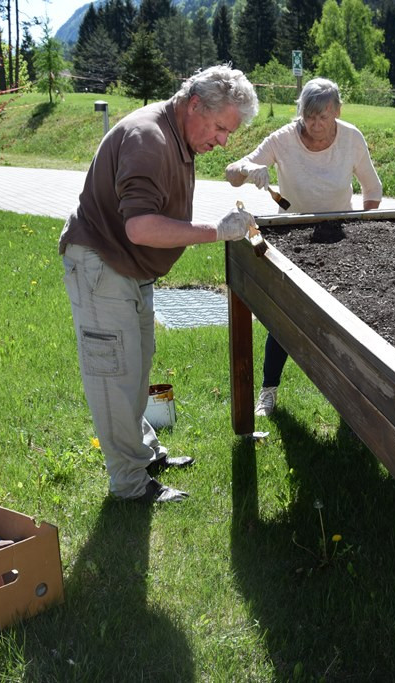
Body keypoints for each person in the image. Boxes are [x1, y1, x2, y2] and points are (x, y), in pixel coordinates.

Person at [60, 65, 259, 505]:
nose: (223, 141)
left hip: (129, 269)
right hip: (101, 264)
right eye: (221, 127)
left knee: (136, 365)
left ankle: (145, 451)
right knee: (114, 376)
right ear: (194, 106)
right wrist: (215, 231)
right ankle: (129, 485)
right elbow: (141, 228)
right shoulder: (148, 139)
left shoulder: (176, 133)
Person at [225, 78, 383, 417]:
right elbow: (232, 172)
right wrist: (249, 168)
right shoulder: (283, 139)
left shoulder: (351, 138)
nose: (316, 125)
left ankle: (354, 399)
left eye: (323, 117)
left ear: (337, 111)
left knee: (348, 322)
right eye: (309, 117)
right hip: (293, 236)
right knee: (284, 318)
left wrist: (364, 235)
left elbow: (373, 190)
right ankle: (268, 392)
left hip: (339, 237)